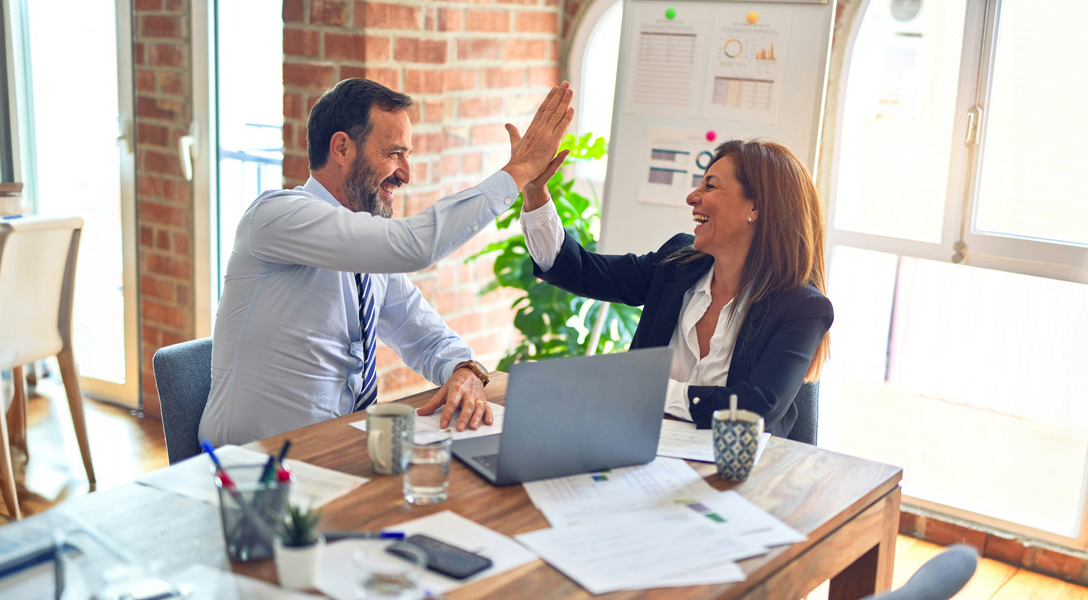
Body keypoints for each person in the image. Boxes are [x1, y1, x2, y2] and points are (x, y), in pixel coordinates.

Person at [198, 78, 573, 446]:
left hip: (338, 452)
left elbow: (423, 333)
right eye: (395, 153)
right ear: (342, 148)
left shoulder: (366, 251)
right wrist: (519, 171)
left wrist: (464, 369)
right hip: (253, 468)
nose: (406, 174)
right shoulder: (276, 216)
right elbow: (415, 246)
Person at [519, 139, 832, 437]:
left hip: (737, 475)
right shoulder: (677, 264)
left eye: (710, 186)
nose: (692, 197)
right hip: (640, 451)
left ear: (756, 207)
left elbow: (756, 408)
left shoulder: (801, 308)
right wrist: (535, 191)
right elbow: (579, 270)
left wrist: (649, 389)